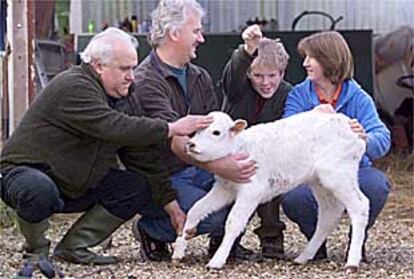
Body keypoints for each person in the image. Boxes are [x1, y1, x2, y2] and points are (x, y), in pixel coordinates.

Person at [0, 27, 213, 276]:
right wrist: (171, 127)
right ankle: (36, 251)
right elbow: (113, 126)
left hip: (75, 181)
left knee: (136, 185)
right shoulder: (74, 85)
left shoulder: (123, 96)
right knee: (36, 188)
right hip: (24, 173)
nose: (131, 76)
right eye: (124, 69)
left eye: (133, 68)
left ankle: (74, 246)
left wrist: (172, 207)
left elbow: (141, 154)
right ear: (99, 66)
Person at [120, 0, 256, 262]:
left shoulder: (200, 77)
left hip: (199, 169)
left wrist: (233, 164)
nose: (201, 38)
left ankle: (223, 242)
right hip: (166, 176)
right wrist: (221, 167)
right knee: (213, 213)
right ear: (174, 33)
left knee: (249, 180)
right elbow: (175, 141)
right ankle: (151, 229)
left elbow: (215, 131)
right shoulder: (146, 81)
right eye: (196, 31)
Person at [281, 31, 391, 261]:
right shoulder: (299, 96)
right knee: (295, 197)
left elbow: (382, 137)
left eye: (311, 57)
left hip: (352, 169)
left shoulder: (359, 97)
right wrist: (312, 117)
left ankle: (357, 239)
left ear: (329, 60)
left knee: (376, 185)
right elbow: (285, 134)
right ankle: (316, 242)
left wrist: (364, 138)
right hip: (310, 173)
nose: (305, 63)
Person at [221, 24, 292, 259]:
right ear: (248, 74)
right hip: (234, 155)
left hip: (269, 157)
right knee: (232, 197)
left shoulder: (287, 94)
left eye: (272, 75)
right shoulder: (237, 90)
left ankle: (272, 240)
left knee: (269, 190)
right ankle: (225, 242)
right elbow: (233, 75)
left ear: (282, 74)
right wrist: (246, 50)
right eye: (258, 75)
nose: (265, 82)